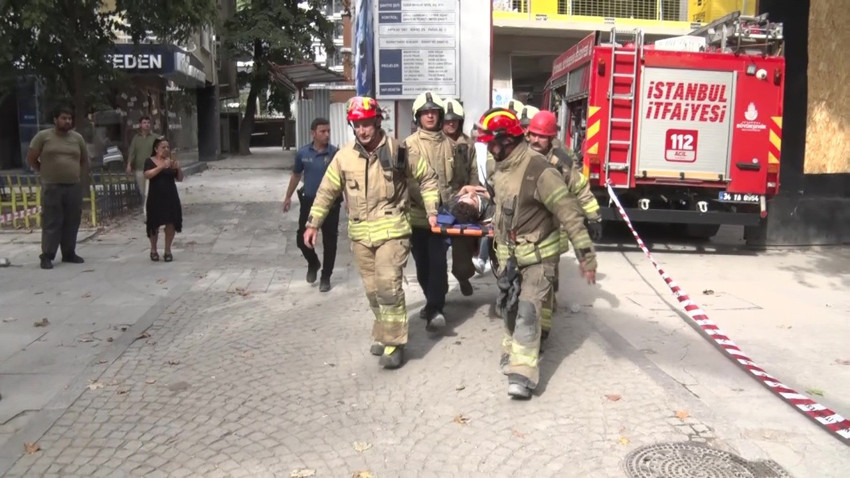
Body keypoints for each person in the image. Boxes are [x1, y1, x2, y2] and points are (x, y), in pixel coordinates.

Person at [467, 107, 597, 399]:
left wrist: (586, 257)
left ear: (507, 141)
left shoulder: (540, 171)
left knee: (528, 310)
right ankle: (512, 349)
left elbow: (569, 213)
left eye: (492, 143)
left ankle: (522, 374)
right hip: (509, 256)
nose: (489, 148)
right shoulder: (502, 167)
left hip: (539, 257)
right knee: (510, 307)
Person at [304, 96, 440, 369]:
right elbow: (327, 191)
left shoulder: (399, 151)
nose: (362, 130)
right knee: (372, 291)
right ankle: (383, 330)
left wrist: (432, 210)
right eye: (357, 125)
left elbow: (427, 178)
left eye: (367, 124)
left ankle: (395, 343)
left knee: (388, 286)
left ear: (378, 122)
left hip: (393, 231)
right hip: (360, 236)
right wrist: (313, 223)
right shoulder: (343, 157)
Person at [526, 110, 603, 339]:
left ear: (551, 138)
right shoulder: (520, 157)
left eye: (541, 136)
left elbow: (580, 189)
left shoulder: (562, 163)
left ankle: (544, 329)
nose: (535, 140)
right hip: (523, 230)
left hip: (551, 229)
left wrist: (594, 216)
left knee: (548, 281)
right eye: (533, 135)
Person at [405, 91, 477, 330]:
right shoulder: (409, 145)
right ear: (418, 116)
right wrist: (429, 206)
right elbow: (410, 181)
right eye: (425, 112)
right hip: (417, 217)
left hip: (444, 218)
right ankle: (431, 301)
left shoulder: (452, 145)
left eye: (434, 112)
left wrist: (464, 198)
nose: (430, 116)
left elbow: (457, 181)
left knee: (437, 263)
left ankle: (436, 307)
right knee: (422, 265)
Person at [26, 106, 89, 270]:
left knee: (72, 220)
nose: (67, 121)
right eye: (63, 118)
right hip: (52, 186)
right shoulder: (43, 137)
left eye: (69, 118)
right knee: (52, 221)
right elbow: (31, 158)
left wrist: (78, 176)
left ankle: (69, 253)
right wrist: (45, 171)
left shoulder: (77, 138)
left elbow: (83, 160)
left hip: (73, 186)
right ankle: (47, 255)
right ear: (55, 120)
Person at [283, 117, 340, 292]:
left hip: (331, 204)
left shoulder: (335, 153)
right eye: (323, 131)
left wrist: (349, 200)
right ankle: (313, 262)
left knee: (330, 241)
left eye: (328, 131)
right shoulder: (302, 153)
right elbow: (296, 175)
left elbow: (342, 178)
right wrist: (287, 197)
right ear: (313, 133)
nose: (327, 135)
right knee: (302, 239)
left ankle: (326, 277)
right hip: (308, 202)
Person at [441, 98, 480, 288]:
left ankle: (462, 276)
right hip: (440, 201)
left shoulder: (468, 144)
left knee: (463, 243)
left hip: (462, 201)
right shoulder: (436, 143)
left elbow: (473, 172)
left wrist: (473, 196)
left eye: (454, 120)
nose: (451, 123)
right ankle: (438, 291)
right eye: (447, 120)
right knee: (436, 253)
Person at [144, 137, 184, 262]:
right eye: (163, 147)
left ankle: (167, 250)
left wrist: (178, 168)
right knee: (154, 224)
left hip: (170, 196)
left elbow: (180, 178)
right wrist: (161, 167)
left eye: (168, 147)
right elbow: (147, 175)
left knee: (171, 223)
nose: (166, 149)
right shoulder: (149, 161)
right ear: (156, 149)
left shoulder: (171, 161)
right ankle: (153, 249)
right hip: (155, 197)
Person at [126, 116, 157, 210]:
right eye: (144, 122)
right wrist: (129, 164)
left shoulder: (154, 137)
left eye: (148, 122)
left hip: (152, 169)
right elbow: (132, 152)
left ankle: (147, 214)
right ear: (140, 125)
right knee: (143, 192)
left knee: (149, 192)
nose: (146, 124)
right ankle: (149, 209)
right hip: (139, 169)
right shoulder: (136, 138)